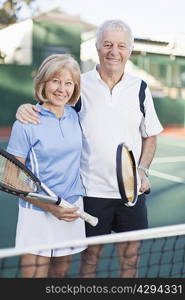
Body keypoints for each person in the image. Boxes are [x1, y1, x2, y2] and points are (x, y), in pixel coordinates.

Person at [15, 19, 163, 277]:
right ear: (96, 47)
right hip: (90, 192)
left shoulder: (140, 88)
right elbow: (52, 106)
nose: (113, 52)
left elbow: (150, 135)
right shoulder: (79, 84)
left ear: (129, 50)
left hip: (130, 195)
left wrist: (142, 170)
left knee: (132, 258)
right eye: (107, 44)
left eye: (120, 46)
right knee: (90, 259)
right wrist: (26, 107)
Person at [7, 54, 86, 278]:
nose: (62, 89)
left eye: (69, 82)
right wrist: (51, 207)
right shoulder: (26, 122)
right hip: (38, 214)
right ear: (43, 83)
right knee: (34, 279)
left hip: (71, 208)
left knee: (59, 275)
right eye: (55, 81)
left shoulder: (76, 116)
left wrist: (64, 209)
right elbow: (13, 177)